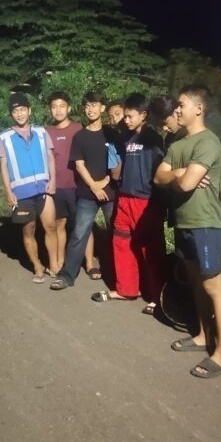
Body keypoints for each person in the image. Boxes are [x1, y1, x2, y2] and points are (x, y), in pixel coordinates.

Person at [154, 85, 221, 379]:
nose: (177, 110)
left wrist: (177, 176)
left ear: (199, 109)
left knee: (213, 287)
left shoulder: (208, 142)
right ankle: (202, 336)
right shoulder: (178, 144)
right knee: (197, 284)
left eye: (182, 105)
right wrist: (178, 173)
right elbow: (159, 177)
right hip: (184, 222)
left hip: (205, 223)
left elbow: (187, 185)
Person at [91, 93, 167, 315]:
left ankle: (157, 296)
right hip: (124, 197)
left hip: (145, 201)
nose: (126, 120)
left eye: (130, 116)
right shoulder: (127, 137)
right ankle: (126, 289)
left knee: (148, 249)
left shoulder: (154, 139)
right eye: (124, 116)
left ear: (144, 115)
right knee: (121, 241)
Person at [50, 91, 120, 290]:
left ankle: (119, 275)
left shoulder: (112, 134)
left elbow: (118, 162)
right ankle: (67, 276)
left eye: (94, 105)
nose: (90, 109)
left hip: (110, 192)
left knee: (116, 233)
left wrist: (105, 181)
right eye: (87, 106)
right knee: (79, 234)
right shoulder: (80, 136)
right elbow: (79, 165)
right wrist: (93, 185)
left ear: (102, 108)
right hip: (87, 194)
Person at [0, 92, 58, 282]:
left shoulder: (41, 132)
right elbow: (3, 167)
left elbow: (50, 157)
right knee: (28, 230)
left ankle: (54, 265)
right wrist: (8, 191)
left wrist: (53, 180)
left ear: (29, 111)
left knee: (51, 226)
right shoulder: (5, 137)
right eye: (15, 111)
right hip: (21, 193)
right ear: (11, 114)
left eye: (23, 109)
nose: (20, 114)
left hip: (44, 189)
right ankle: (37, 266)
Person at [45, 91, 82, 274]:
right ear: (50, 110)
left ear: (69, 108)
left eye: (62, 106)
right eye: (54, 107)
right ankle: (60, 261)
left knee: (80, 225)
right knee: (59, 224)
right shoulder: (47, 132)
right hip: (57, 186)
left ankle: (86, 261)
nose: (58, 110)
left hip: (77, 185)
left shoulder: (78, 129)